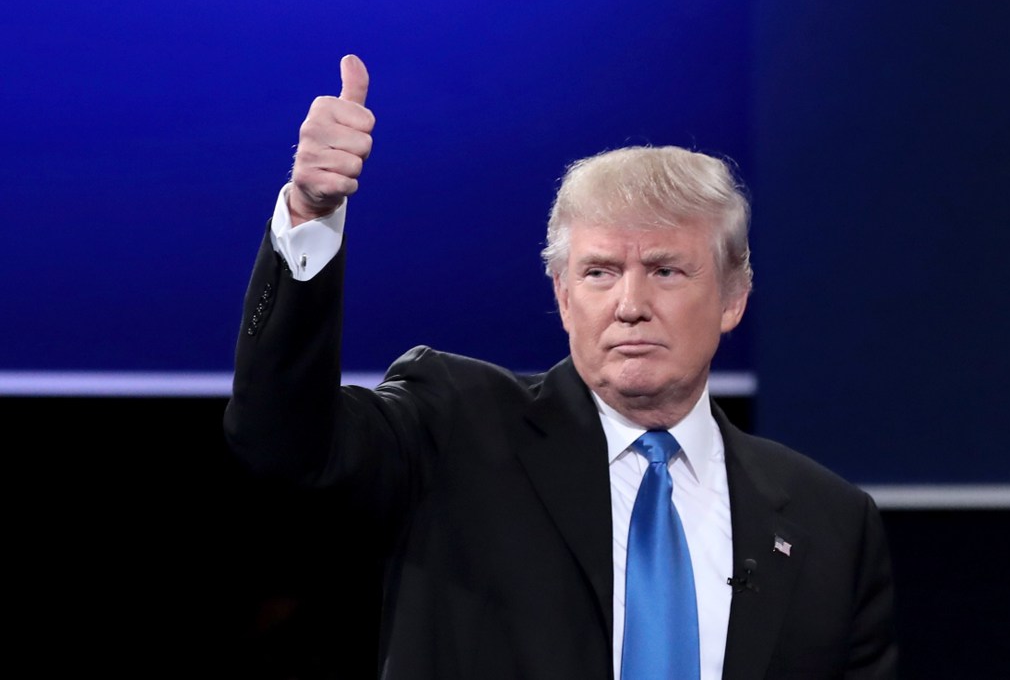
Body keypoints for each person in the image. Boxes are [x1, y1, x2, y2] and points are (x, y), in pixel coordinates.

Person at [224, 54, 898, 680]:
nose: (630, 304)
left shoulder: (830, 523)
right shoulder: (454, 428)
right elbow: (282, 442)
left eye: (665, 270)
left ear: (732, 297)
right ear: (563, 294)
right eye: (600, 272)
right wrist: (310, 216)